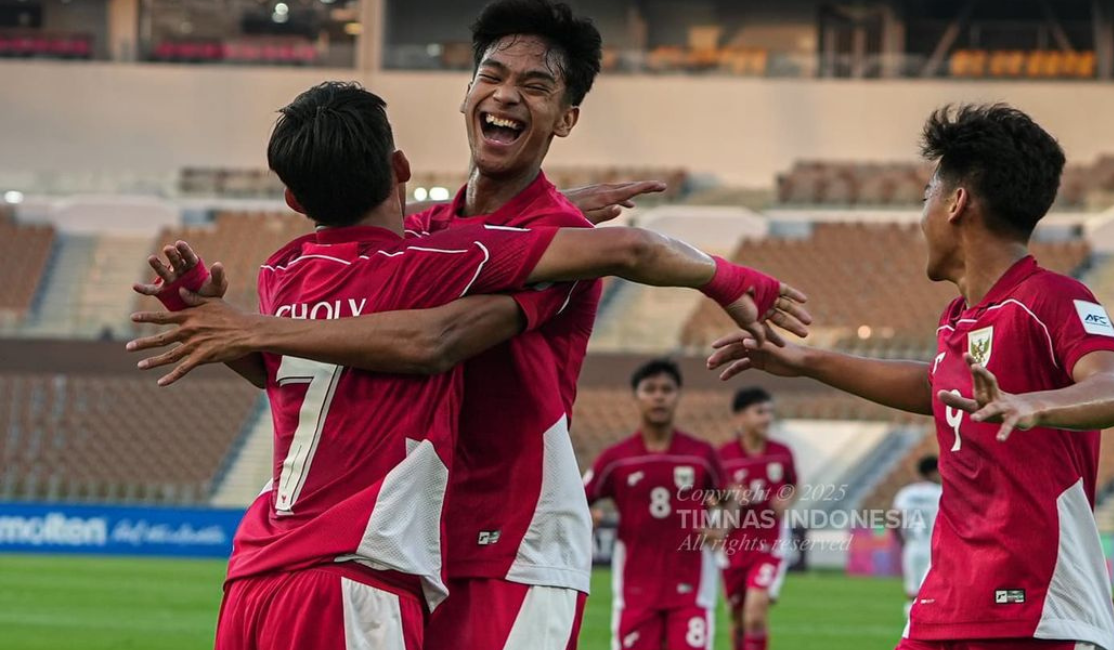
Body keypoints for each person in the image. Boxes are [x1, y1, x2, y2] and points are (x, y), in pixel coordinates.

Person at [133, 82, 811, 650]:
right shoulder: (433, 268)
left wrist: (214, 316)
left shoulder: (284, 274)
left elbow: (287, 366)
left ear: (292, 202)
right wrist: (731, 281)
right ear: (399, 168)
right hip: (352, 576)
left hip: (253, 579)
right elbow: (630, 251)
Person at [708, 103, 1114, 650]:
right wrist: (805, 362)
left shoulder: (1052, 298)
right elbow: (933, 389)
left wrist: (1034, 405)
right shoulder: (957, 319)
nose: (922, 218)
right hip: (947, 598)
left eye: (926, 198)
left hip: (1035, 607)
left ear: (957, 203)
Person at [584, 359, 728, 650]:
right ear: (636, 397)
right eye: (650, 389)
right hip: (635, 587)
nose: (659, 396)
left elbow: (729, 500)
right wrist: (588, 515)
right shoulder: (616, 459)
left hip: (692, 583)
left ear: (678, 396)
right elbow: (577, 500)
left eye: (667, 389)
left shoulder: (701, 454)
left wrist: (722, 527)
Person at [716, 387, 797, 650]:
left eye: (770, 412)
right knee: (739, 619)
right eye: (760, 412)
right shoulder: (723, 457)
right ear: (739, 418)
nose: (767, 418)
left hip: (769, 542)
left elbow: (793, 485)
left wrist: (786, 498)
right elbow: (707, 497)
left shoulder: (781, 452)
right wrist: (727, 495)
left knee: (755, 612)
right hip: (732, 546)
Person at [891, 455, 942, 619]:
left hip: (912, 547)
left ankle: (910, 631)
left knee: (912, 593)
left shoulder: (905, 493)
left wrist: (902, 541)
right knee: (935, 593)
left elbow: (894, 520)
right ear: (934, 471)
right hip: (934, 548)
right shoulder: (939, 492)